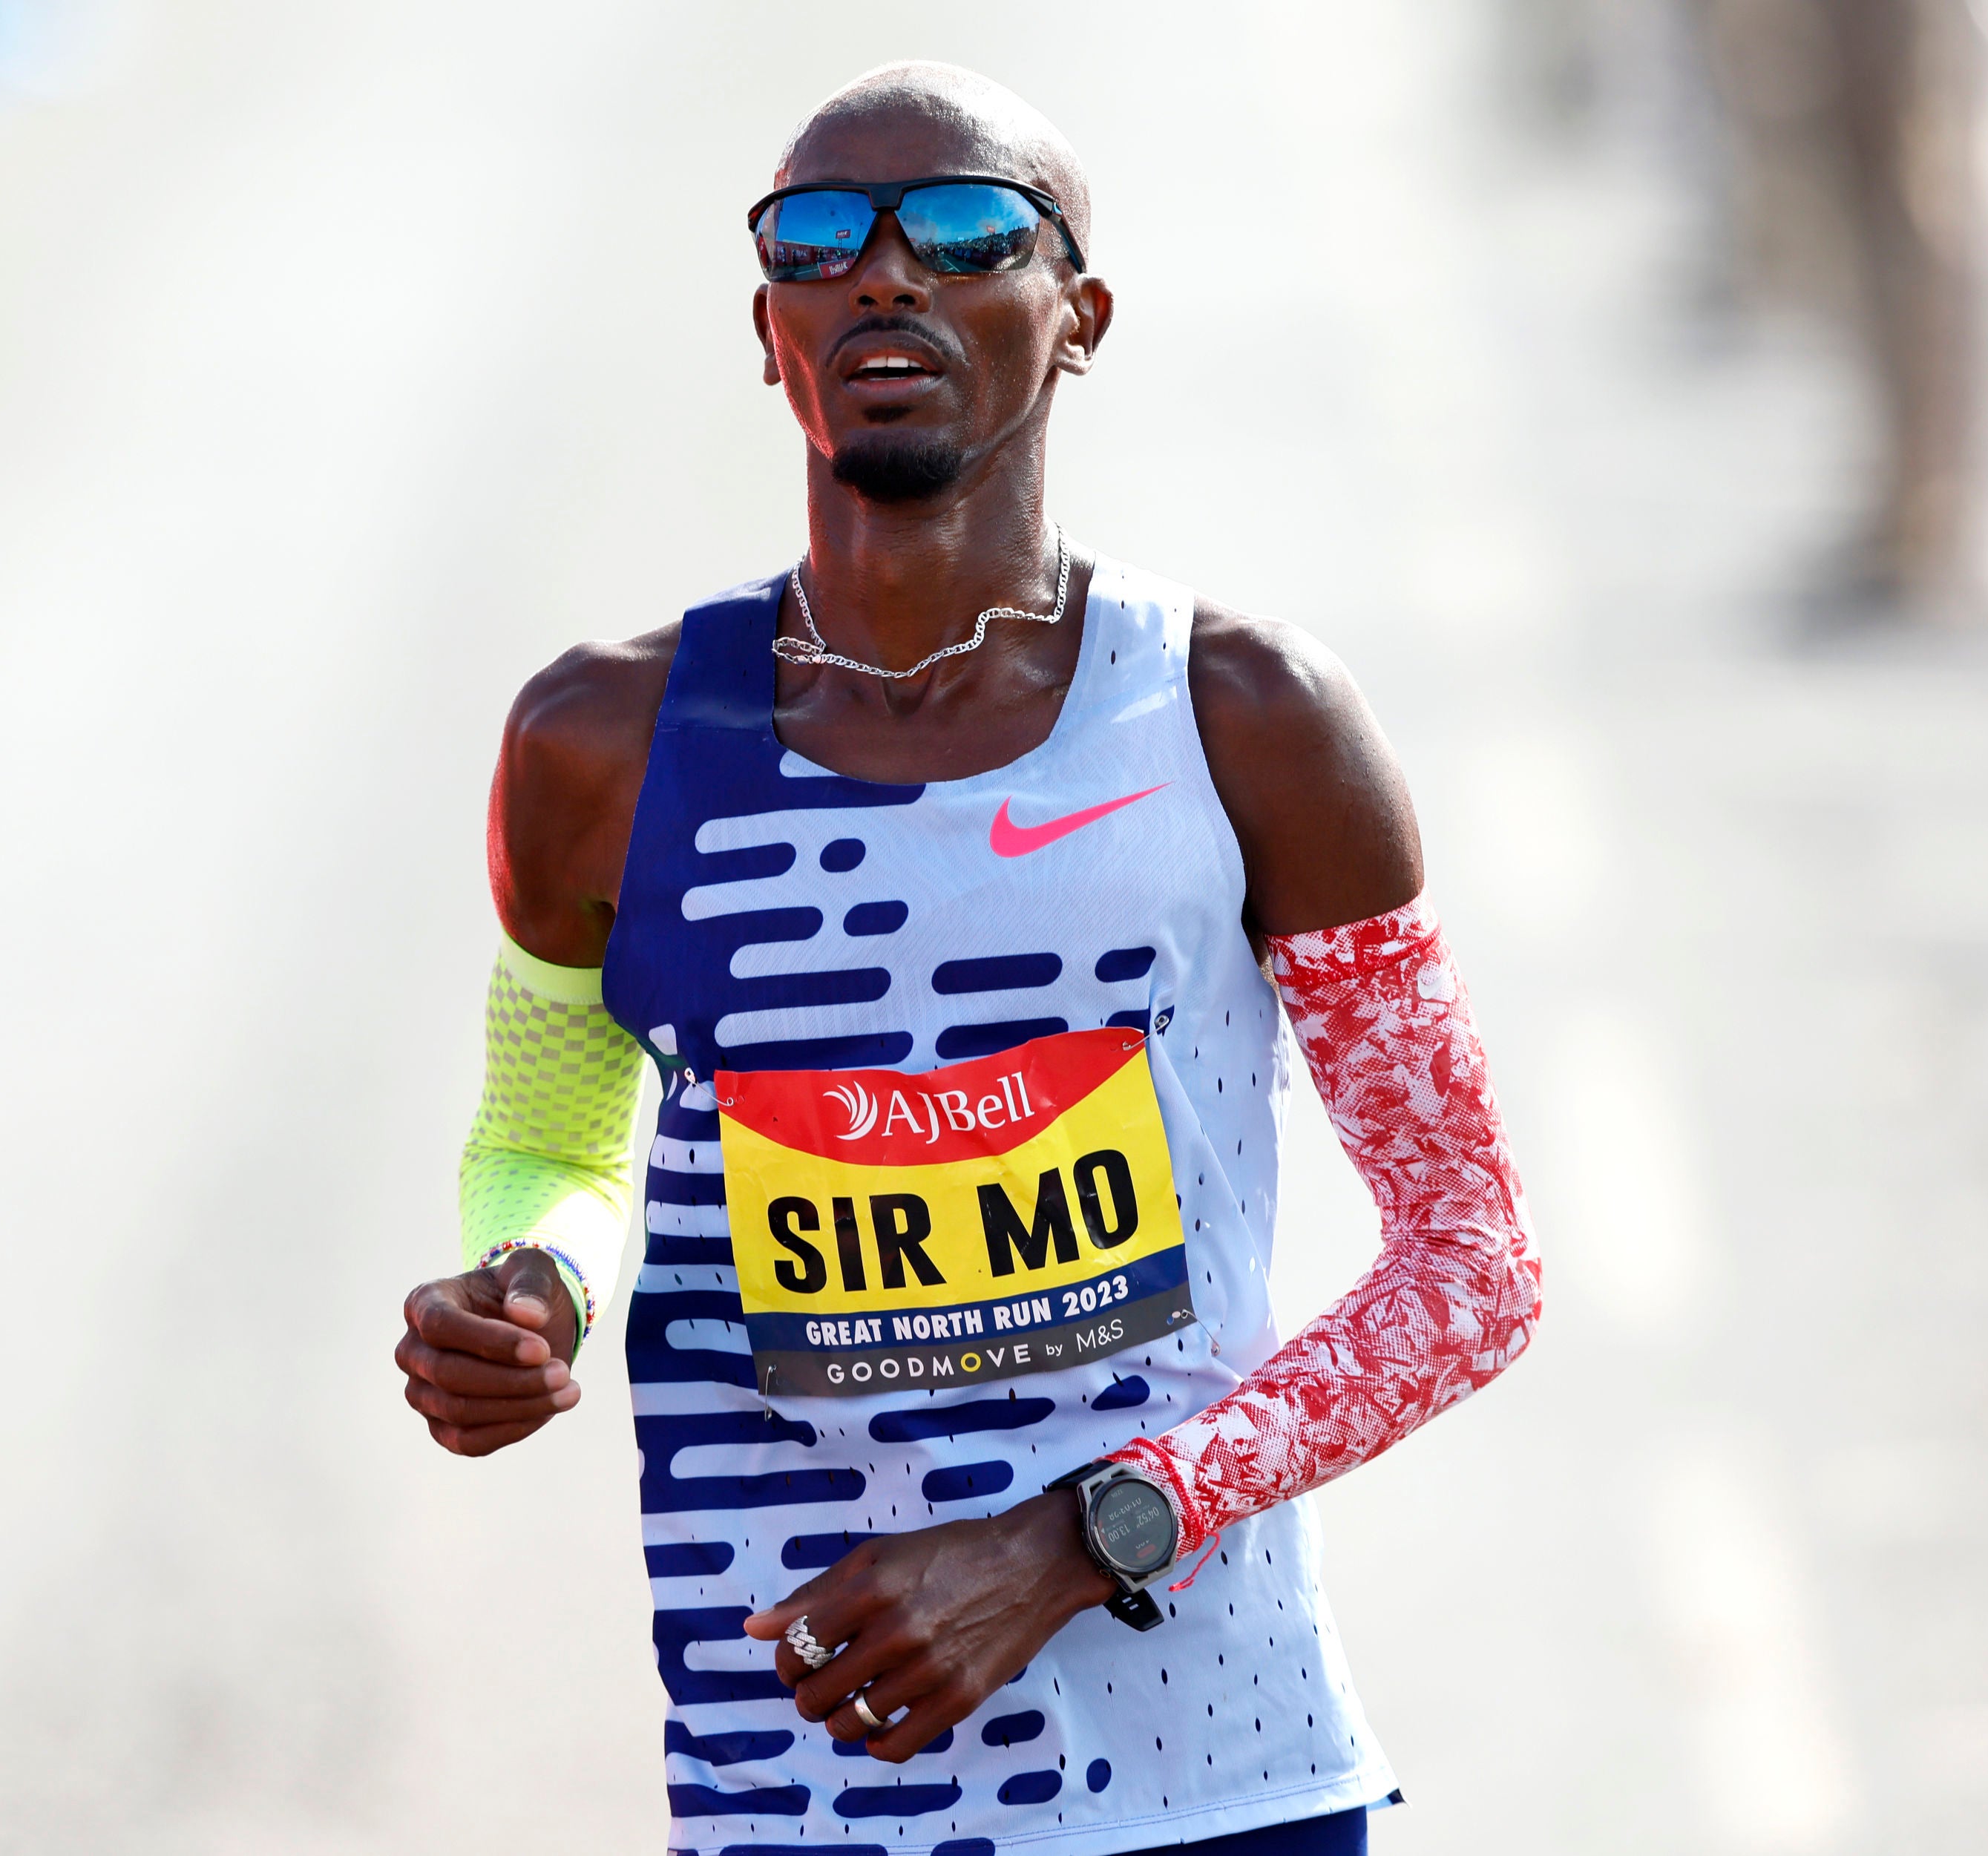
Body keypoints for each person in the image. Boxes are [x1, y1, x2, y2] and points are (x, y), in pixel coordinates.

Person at [395, 62, 1542, 1856]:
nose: (884, 274)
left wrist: (1081, 1541)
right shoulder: (603, 747)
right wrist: (529, 1288)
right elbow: (553, 1134)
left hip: (1214, 1784)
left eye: (962, 228)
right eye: (819, 238)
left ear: (1077, 316)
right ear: (768, 329)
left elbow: (1473, 1264)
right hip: (799, 1781)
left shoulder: (1246, 719)